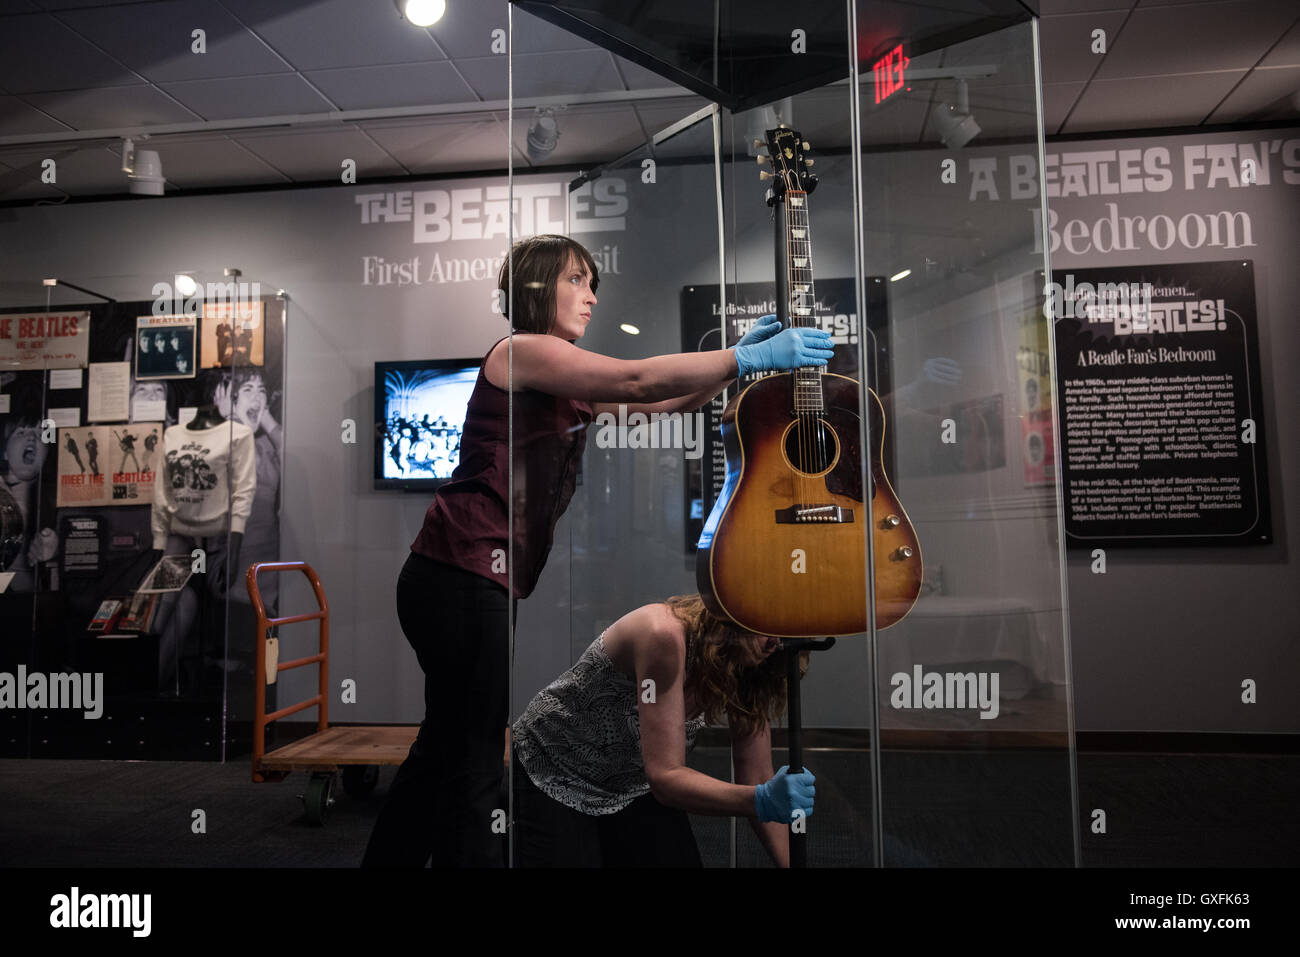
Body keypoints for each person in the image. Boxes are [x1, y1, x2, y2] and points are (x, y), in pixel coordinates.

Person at [361, 233, 832, 868]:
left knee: (445, 748)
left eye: (593, 285)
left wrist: (737, 365)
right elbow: (636, 379)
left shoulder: (562, 380)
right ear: (535, 290)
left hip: (471, 579)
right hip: (458, 573)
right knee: (472, 758)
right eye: (577, 281)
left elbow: (655, 404)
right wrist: (737, 360)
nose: (590, 296)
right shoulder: (520, 351)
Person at [512, 594, 815, 867]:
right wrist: (760, 800)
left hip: (631, 785)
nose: (775, 642)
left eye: (784, 631)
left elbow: (758, 776)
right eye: (766, 625)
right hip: (554, 773)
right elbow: (666, 776)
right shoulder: (664, 634)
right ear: (733, 609)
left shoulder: (750, 663)